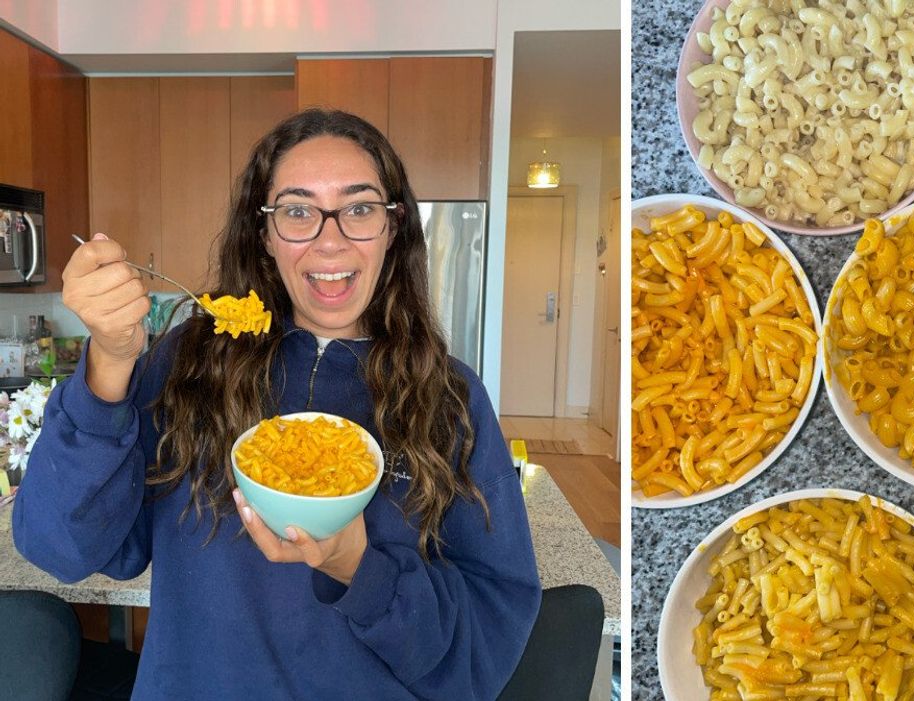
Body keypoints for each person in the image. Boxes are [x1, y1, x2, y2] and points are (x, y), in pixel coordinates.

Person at [13, 109, 542, 700]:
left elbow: (483, 652)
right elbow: (60, 547)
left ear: (394, 227)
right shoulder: (186, 362)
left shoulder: (452, 400)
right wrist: (110, 360)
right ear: (264, 235)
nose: (330, 238)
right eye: (297, 211)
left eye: (360, 208)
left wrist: (358, 569)